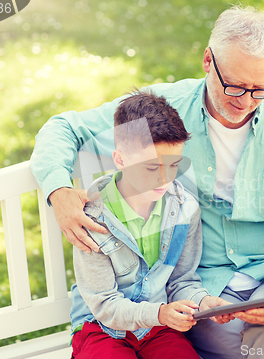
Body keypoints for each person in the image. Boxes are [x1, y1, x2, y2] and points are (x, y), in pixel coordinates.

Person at [31, 5, 264, 359]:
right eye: (234, 85)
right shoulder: (161, 114)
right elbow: (64, 127)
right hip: (198, 287)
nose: (246, 101)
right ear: (207, 60)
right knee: (232, 348)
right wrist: (58, 192)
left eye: (260, 89)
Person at [70, 90, 231, 359]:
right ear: (120, 160)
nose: (165, 179)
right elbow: (105, 306)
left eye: (174, 165)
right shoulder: (90, 219)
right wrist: (158, 313)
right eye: (150, 168)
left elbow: (182, 280)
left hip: (157, 327)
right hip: (101, 328)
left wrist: (204, 302)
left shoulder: (184, 209)